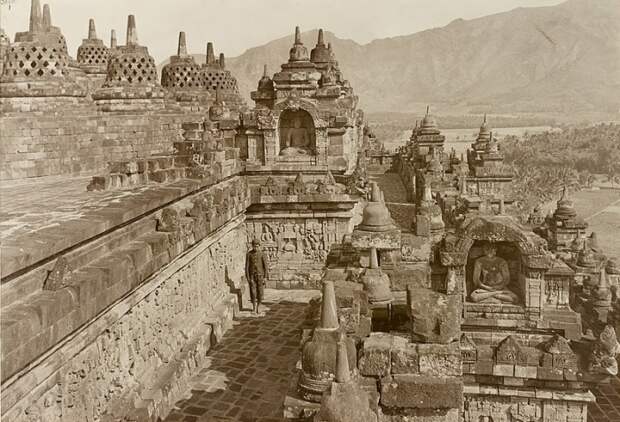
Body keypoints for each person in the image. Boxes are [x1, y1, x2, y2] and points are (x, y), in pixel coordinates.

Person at [246, 239, 269, 313]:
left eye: (257, 246)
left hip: (260, 276)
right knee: (253, 292)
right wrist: (248, 277)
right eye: (254, 246)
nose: (255, 247)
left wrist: (265, 277)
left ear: (259, 246)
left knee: (260, 291)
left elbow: (265, 267)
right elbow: (247, 267)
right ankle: (254, 307)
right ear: (252, 246)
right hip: (252, 276)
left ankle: (259, 305)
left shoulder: (262, 254)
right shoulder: (249, 254)